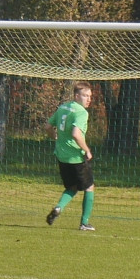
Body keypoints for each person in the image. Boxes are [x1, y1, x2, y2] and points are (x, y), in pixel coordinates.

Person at [45, 81, 96, 231]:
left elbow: (48, 126)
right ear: (76, 96)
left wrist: (54, 137)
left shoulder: (63, 107)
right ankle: (84, 223)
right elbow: (76, 134)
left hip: (61, 156)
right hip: (76, 157)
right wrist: (86, 150)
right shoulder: (81, 112)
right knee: (89, 187)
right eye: (85, 95)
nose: (88, 99)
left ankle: (59, 208)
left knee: (72, 187)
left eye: (90, 96)